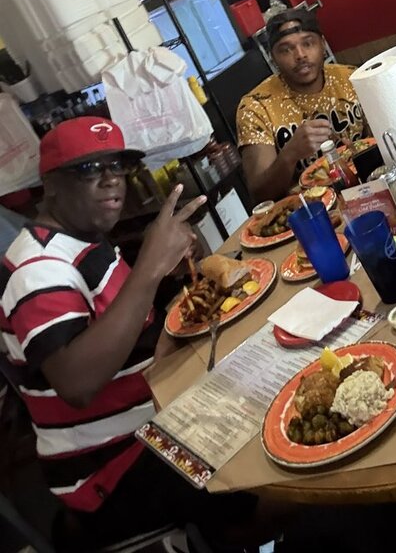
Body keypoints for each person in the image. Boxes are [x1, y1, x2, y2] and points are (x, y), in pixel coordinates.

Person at [0, 117, 263, 552]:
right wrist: (149, 269)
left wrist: (164, 273)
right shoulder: (37, 269)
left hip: (153, 416)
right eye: (89, 169)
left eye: (118, 166)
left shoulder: (84, 237)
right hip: (112, 468)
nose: (111, 180)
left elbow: (126, 326)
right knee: (264, 464)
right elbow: (77, 383)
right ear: (51, 185)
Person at [237, 8, 365, 202]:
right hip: (309, 208)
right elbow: (260, 195)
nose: (300, 55)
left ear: (323, 44)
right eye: (286, 49)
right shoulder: (256, 107)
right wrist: (290, 154)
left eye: (308, 43)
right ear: (272, 57)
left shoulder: (351, 78)